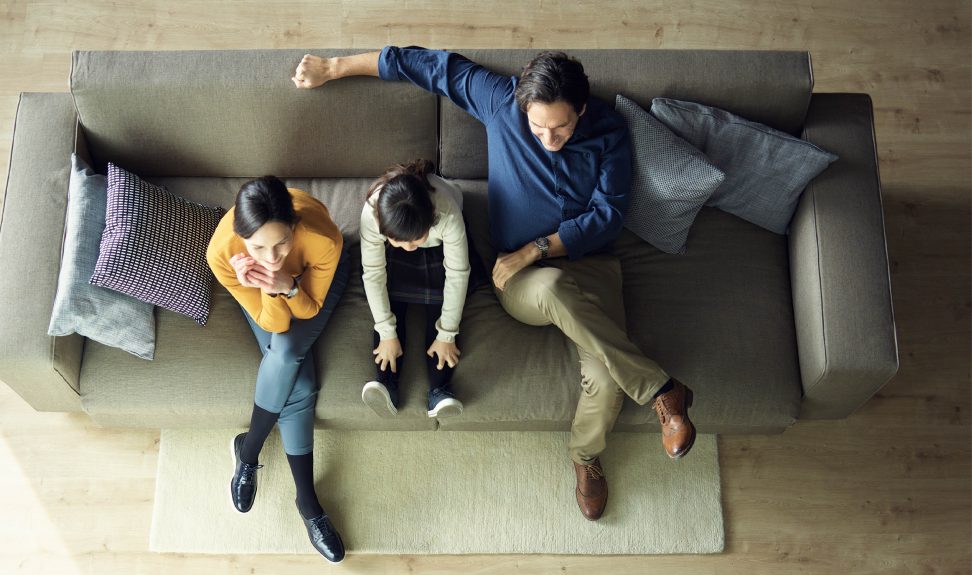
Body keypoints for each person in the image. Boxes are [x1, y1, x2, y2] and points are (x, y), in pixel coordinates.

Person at [293, 48, 696, 521]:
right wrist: (335, 68)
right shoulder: (502, 102)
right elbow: (426, 66)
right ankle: (661, 390)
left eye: (561, 128)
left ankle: (585, 455)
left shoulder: (608, 131)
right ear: (524, 107)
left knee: (606, 380)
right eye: (538, 127)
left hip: (589, 267)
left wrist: (536, 248)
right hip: (521, 281)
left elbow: (608, 218)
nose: (549, 139)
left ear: (581, 110)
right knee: (549, 290)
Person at [205, 176, 349, 562]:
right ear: (241, 238)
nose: (271, 256)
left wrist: (288, 287)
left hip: (317, 284)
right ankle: (308, 504)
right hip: (267, 296)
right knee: (294, 376)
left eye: (281, 242)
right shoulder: (222, 254)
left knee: (286, 356)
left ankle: (248, 452)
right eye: (259, 247)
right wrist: (271, 288)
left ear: (294, 228)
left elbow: (308, 309)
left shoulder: (323, 239)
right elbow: (275, 324)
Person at [359, 158, 484, 419]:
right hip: (402, 233)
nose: (408, 249)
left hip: (441, 246)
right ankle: (386, 384)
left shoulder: (447, 213)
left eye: (415, 242)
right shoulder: (373, 214)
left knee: (437, 306)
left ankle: (439, 390)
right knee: (391, 302)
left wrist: (447, 335)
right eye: (399, 242)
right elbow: (373, 274)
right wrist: (386, 333)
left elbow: (457, 275)